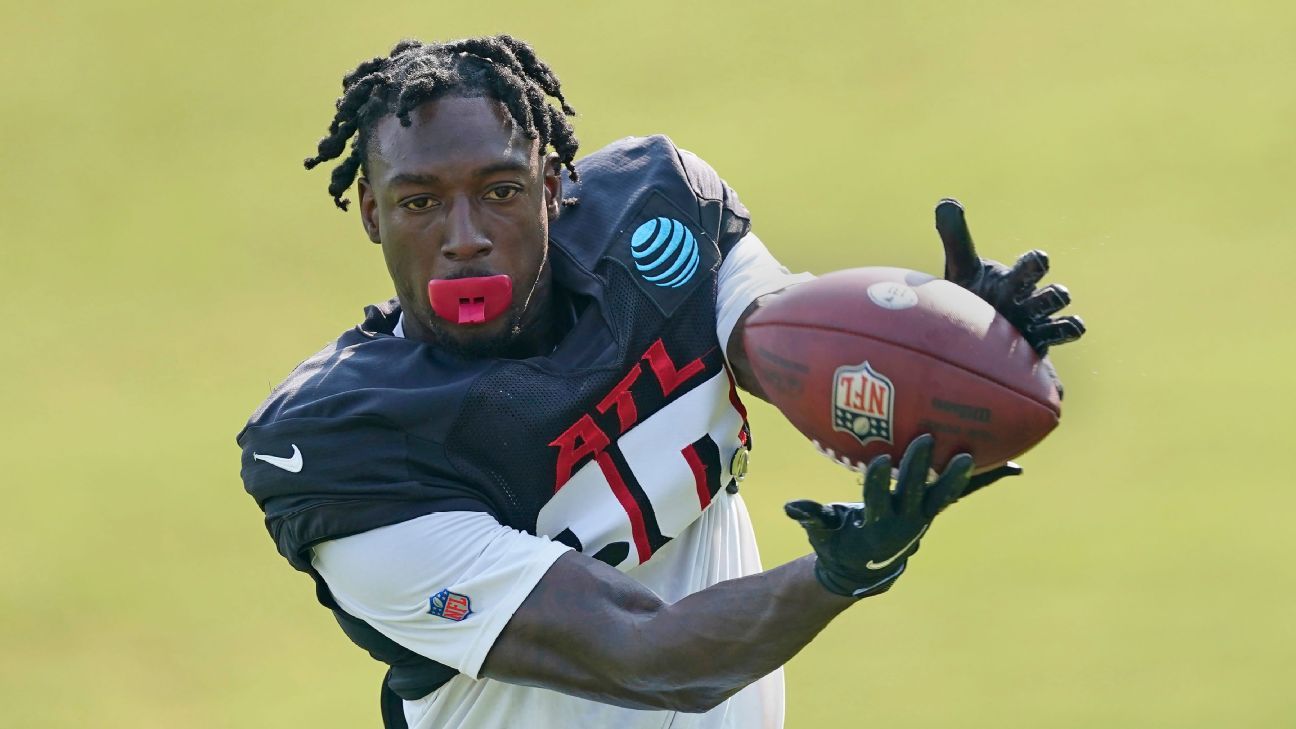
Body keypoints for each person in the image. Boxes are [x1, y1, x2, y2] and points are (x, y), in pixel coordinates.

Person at [237, 35, 1084, 729]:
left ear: (556, 185)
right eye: (420, 202)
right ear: (372, 212)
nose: (465, 237)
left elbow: (787, 344)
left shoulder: (656, 223)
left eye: (500, 191)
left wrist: (944, 339)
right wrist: (845, 571)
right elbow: (652, 654)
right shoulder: (354, 447)